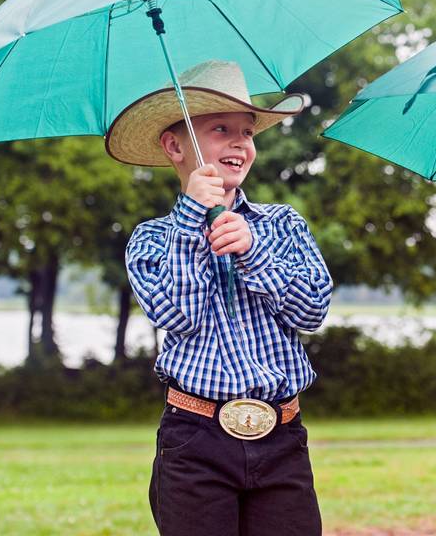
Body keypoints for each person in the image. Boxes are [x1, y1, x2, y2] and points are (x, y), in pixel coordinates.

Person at [108, 60, 332, 536]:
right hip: (195, 439)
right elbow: (178, 315)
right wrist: (193, 222)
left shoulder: (282, 225)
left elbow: (312, 309)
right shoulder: (151, 240)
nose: (239, 143)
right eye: (220, 129)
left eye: (247, 132)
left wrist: (253, 253)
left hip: (282, 436)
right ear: (175, 145)